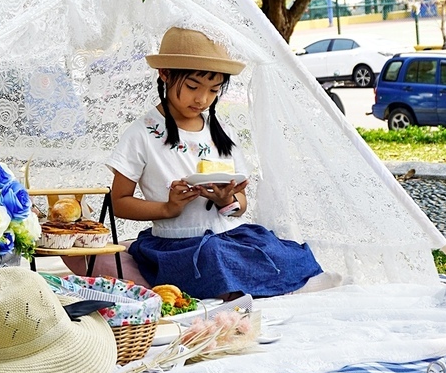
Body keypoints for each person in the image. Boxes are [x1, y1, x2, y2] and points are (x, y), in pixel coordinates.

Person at [108, 27, 325, 300]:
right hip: (178, 243)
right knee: (213, 257)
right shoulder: (142, 133)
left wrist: (227, 201)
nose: (202, 99)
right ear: (164, 73)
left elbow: (241, 204)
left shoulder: (222, 133)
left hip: (228, 234)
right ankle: (247, 287)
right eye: (192, 87)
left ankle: (253, 284)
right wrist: (168, 207)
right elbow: (119, 201)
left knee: (281, 250)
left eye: (213, 90)